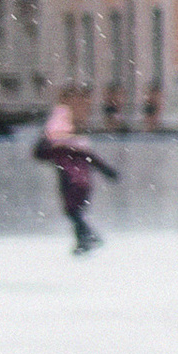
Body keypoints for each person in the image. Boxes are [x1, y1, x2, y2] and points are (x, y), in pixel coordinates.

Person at [34, 92, 116, 254]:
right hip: (82, 182)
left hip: (71, 181)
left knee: (73, 212)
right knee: (75, 212)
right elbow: (93, 159)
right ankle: (85, 240)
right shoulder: (76, 146)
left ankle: (87, 239)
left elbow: (39, 154)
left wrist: (44, 140)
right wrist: (109, 172)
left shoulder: (59, 149)